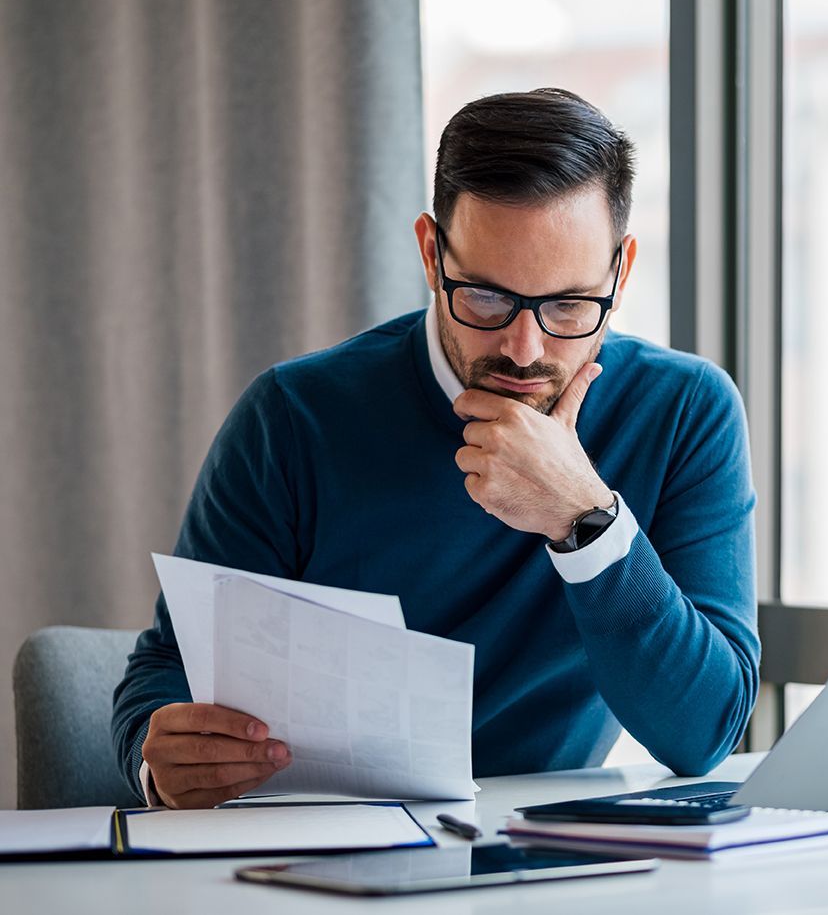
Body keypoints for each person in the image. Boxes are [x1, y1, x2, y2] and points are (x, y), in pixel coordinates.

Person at [111, 89, 759, 810]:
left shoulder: (686, 411)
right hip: (330, 848)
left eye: (570, 305)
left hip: (550, 854)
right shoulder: (296, 417)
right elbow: (166, 669)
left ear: (621, 272)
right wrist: (157, 752)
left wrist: (586, 521)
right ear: (430, 252)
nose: (526, 348)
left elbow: (704, 733)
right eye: (485, 298)